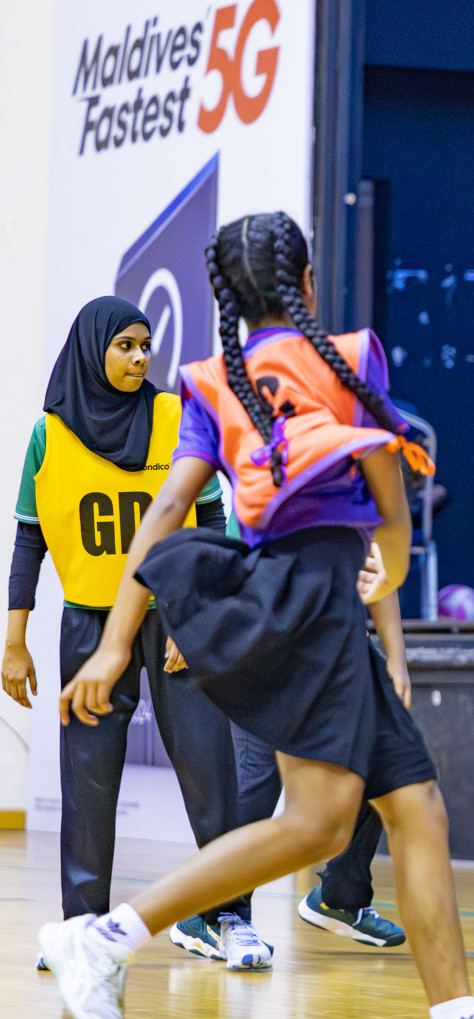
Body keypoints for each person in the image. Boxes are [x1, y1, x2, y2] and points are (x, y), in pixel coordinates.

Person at [38, 212, 474, 1019]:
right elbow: (387, 520)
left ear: (226, 295)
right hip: (316, 610)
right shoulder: (353, 357)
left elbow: (168, 510)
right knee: (323, 827)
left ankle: (456, 1013)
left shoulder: (209, 380)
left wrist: (112, 644)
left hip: (280, 606)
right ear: (308, 283)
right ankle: (106, 935)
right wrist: (393, 627)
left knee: (405, 812)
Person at [2, 296, 272, 971]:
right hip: (90, 623)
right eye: (125, 345)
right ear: (93, 350)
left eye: (146, 345)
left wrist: (203, 612)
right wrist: (13, 639)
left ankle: (228, 918)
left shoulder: (174, 417)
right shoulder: (49, 434)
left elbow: (214, 522)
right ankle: (81, 930)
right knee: (87, 781)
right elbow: (29, 541)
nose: (140, 357)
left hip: (173, 617)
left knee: (211, 772)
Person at [225, 538, 407, 949]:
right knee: (256, 784)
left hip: (342, 648)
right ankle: (217, 913)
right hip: (269, 645)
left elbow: (376, 562)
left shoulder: (356, 492)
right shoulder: (261, 485)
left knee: (388, 755)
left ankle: (341, 896)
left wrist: (395, 656)